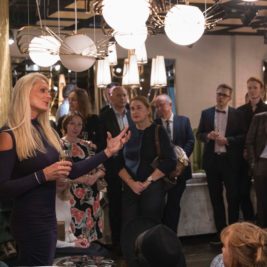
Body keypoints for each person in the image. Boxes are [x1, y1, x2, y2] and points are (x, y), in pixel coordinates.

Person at [0, 72, 130, 266]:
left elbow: (71, 170)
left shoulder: (46, 131)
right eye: (42, 90)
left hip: (49, 220)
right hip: (29, 222)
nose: (48, 95)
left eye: (48, 90)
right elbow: (2, 189)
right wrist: (42, 175)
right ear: (25, 93)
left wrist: (108, 152)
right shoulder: (9, 134)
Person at [119, 96, 177, 228]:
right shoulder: (126, 133)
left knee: (150, 226)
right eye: (132, 109)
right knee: (130, 226)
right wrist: (131, 183)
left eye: (139, 108)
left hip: (153, 187)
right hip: (130, 188)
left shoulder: (158, 130)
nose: (135, 112)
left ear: (148, 111)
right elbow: (117, 162)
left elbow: (170, 161)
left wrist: (148, 182)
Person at [196, 84, 244, 245]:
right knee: (215, 199)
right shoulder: (206, 113)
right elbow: (199, 134)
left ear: (229, 97)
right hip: (212, 161)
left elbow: (243, 136)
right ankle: (221, 234)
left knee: (233, 197)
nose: (220, 97)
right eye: (218, 94)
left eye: (224, 95)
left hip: (230, 161)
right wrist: (208, 136)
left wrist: (228, 140)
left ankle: (233, 234)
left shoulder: (237, 114)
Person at [99, 85, 134, 251]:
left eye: (124, 95)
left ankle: (132, 240)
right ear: (111, 97)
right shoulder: (104, 116)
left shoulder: (133, 114)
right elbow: (101, 144)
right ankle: (117, 243)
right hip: (113, 166)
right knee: (115, 205)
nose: (122, 98)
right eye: (118, 95)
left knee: (133, 204)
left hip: (133, 165)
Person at [61, 112, 105, 242]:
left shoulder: (88, 145)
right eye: (72, 123)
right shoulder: (59, 145)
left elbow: (102, 168)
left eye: (79, 124)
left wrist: (95, 176)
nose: (76, 127)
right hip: (69, 195)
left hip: (91, 195)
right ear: (65, 125)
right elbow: (60, 173)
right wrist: (82, 179)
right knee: (69, 236)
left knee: (89, 236)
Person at [154, 94, 194, 233]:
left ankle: (171, 235)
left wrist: (181, 161)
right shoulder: (154, 124)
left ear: (170, 105)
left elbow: (190, 141)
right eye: (157, 106)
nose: (159, 108)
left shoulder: (184, 121)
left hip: (180, 171)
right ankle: (160, 235)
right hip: (161, 172)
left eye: (162, 104)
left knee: (173, 204)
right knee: (158, 205)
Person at [237, 77, 267, 222]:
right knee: (243, 191)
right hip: (243, 157)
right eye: (249, 87)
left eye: (255, 87)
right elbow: (237, 133)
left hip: (261, 157)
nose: (252, 90)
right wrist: (243, 149)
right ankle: (250, 220)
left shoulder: (266, 110)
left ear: (261, 89)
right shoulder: (240, 111)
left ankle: (261, 220)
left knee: (262, 194)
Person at [55, 178, 109, 257]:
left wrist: (75, 240)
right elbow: (51, 241)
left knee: (100, 250)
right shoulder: (46, 203)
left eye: (65, 178)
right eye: (58, 177)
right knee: (97, 254)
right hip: (56, 248)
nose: (62, 180)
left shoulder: (65, 199)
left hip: (66, 244)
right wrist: (73, 244)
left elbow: (67, 229)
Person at [246, 111, 267, 227]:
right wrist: (254, 164)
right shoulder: (259, 118)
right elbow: (249, 142)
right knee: (262, 201)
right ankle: (263, 234)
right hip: (262, 163)